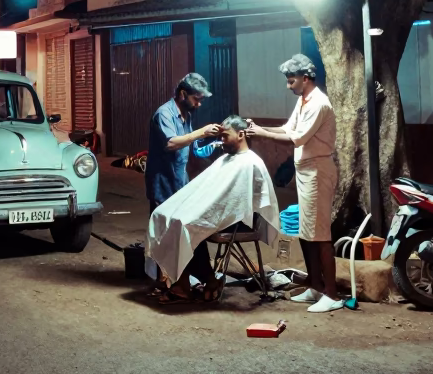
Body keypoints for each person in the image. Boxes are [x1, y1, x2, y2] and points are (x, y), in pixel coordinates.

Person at [148, 115, 280, 304]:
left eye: (225, 136)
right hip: (225, 216)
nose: (221, 140)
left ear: (241, 134)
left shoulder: (251, 163)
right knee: (164, 215)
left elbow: (243, 202)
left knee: (186, 224)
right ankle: (204, 281)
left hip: (239, 222)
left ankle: (185, 285)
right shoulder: (227, 159)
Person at [248, 53, 343, 313]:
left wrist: (262, 133)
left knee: (320, 233)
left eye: (291, 81)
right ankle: (315, 286)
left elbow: (298, 138)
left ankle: (332, 294)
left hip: (318, 171)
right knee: (305, 230)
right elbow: (288, 128)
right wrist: (259, 127)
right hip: (305, 171)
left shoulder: (319, 103)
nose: (289, 86)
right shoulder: (304, 100)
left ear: (306, 78)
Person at [144, 73, 223, 282]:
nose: (198, 104)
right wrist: (201, 132)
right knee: (164, 234)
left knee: (186, 231)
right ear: (182, 93)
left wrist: (216, 145)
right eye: (196, 99)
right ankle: (164, 280)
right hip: (163, 184)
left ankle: (191, 276)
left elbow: (194, 149)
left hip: (180, 184)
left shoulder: (187, 115)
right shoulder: (164, 114)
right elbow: (171, 143)